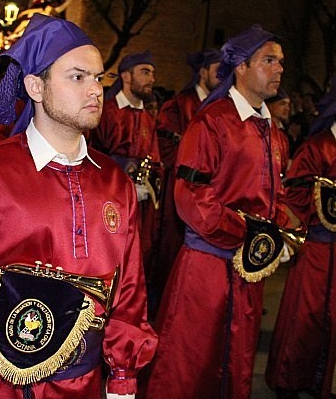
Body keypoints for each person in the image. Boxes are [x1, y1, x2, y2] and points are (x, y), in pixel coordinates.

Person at [0, 14, 157, 398]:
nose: (94, 90)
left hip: (82, 383)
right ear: (35, 86)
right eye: (77, 77)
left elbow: (129, 291)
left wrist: (123, 376)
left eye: (98, 78)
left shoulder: (116, 182)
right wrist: (21, 327)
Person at [144, 24, 293, 399]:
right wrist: (246, 233)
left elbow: (277, 195)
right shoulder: (212, 121)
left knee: (237, 358)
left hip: (251, 268)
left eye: (281, 62)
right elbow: (191, 194)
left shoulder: (272, 130)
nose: (279, 69)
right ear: (241, 66)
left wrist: (281, 231)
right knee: (190, 363)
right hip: (208, 268)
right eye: (269, 61)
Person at [265, 75, 336, 399]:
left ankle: (318, 383)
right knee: (305, 318)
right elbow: (296, 192)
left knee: (335, 321)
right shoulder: (319, 148)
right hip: (318, 249)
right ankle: (288, 382)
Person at [153, 48, 221, 298]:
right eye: (217, 70)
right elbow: (165, 146)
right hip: (181, 185)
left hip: (210, 190)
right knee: (173, 243)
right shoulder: (180, 105)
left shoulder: (219, 107)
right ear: (203, 72)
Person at [90, 50, 163, 282]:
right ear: (126, 76)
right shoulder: (106, 111)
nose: (152, 78)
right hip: (108, 200)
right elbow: (93, 156)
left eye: (152, 73)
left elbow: (156, 159)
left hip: (139, 205)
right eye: (145, 72)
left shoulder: (148, 118)